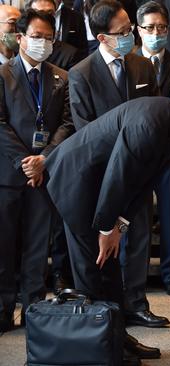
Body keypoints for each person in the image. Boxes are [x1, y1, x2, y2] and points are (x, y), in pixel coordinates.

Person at [45, 94, 170, 365]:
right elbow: (118, 176)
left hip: (102, 191)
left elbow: (144, 183)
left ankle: (117, 337)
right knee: (92, 267)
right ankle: (99, 348)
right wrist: (105, 229)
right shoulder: (152, 123)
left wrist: (119, 226)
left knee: (110, 269)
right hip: (79, 182)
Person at [68, 0, 167, 328]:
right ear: (102, 38)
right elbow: (86, 132)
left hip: (139, 169)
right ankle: (109, 308)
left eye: (130, 29)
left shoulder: (142, 66)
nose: (130, 37)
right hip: (103, 174)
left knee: (139, 236)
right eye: (122, 32)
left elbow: (154, 115)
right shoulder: (81, 74)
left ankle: (137, 302)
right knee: (106, 243)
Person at [0, 9, 74, 332]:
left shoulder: (61, 76)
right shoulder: (3, 75)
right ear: (20, 38)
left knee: (36, 246)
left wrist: (44, 158)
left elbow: (68, 123)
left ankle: (33, 309)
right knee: (3, 247)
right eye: (36, 36)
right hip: (8, 175)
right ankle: (3, 309)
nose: (43, 42)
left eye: (48, 37)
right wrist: (25, 162)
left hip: (44, 175)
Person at [135, 0, 170, 297]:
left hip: (169, 151)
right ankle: (135, 277)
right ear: (138, 30)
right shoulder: (128, 62)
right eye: (150, 27)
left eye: (162, 27)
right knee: (135, 217)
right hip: (137, 152)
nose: (156, 32)